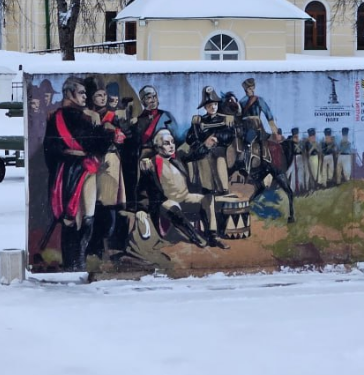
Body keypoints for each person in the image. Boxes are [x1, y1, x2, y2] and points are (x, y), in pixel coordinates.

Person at [39, 76, 116, 271]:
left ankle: (75, 261)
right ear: (69, 93)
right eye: (81, 93)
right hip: (77, 170)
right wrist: (108, 133)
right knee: (79, 218)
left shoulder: (57, 116)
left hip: (66, 170)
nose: (85, 97)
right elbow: (92, 142)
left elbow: (50, 149)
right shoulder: (76, 116)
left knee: (78, 218)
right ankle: (76, 262)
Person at [135, 129, 228, 249]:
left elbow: (195, 154)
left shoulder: (178, 157)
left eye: (172, 142)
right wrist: (141, 208)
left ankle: (212, 236)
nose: (171, 146)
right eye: (166, 143)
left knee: (208, 199)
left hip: (185, 197)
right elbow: (142, 189)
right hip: (166, 201)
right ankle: (195, 236)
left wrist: (206, 145)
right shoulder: (150, 164)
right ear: (157, 147)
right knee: (171, 206)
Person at [85, 77, 128, 257]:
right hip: (92, 161)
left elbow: (122, 138)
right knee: (94, 205)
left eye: (104, 95)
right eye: (98, 95)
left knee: (108, 203)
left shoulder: (113, 115)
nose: (103, 98)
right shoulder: (87, 115)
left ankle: (102, 244)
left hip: (109, 160)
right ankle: (95, 245)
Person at [186, 86, 236, 195]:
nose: (213, 107)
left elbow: (229, 135)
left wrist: (216, 138)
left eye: (215, 104)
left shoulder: (225, 119)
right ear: (205, 107)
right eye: (209, 105)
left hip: (220, 151)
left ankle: (224, 190)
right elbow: (190, 139)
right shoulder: (199, 121)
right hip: (204, 150)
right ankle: (207, 191)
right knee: (203, 160)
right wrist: (194, 125)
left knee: (219, 160)